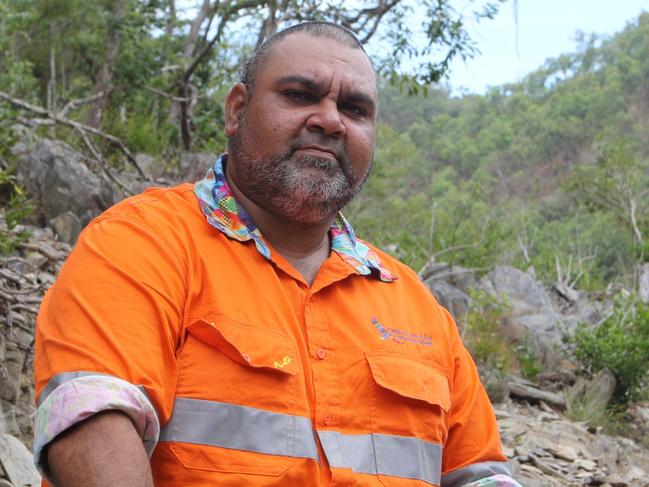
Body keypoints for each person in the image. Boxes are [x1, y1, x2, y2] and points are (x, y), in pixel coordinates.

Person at [33, 22, 520, 487]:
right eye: (299, 95)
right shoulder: (143, 242)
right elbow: (92, 411)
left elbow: (479, 475)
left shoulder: (416, 304)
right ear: (236, 110)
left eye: (354, 109)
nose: (329, 119)